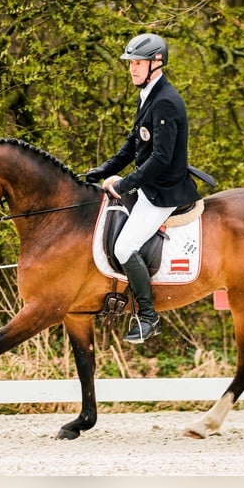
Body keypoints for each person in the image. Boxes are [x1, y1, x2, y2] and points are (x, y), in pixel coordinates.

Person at [86, 33, 201, 343]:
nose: (132, 69)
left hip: (163, 190)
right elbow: (133, 142)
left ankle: (148, 318)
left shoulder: (166, 101)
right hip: (147, 184)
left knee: (124, 247)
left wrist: (125, 183)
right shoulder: (148, 93)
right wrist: (103, 170)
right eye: (131, 64)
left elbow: (161, 159)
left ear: (157, 63)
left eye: (138, 63)